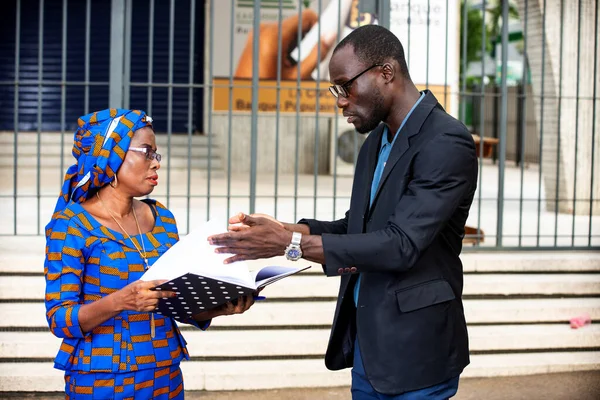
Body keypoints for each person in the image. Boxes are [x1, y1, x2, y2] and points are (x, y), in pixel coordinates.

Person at [208, 25, 478, 399]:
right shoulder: (375, 143)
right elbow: (357, 227)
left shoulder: (446, 142)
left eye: (344, 86)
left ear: (386, 73)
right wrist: (283, 229)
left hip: (417, 350)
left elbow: (401, 245)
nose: (340, 101)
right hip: (370, 347)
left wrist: (290, 243)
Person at [44, 108, 255, 399]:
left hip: (164, 373)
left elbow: (174, 301)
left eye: (157, 154)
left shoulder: (162, 218)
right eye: (146, 152)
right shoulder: (71, 226)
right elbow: (60, 318)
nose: (156, 164)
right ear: (111, 154)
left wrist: (219, 307)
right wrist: (122, 300)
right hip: (101, 379)